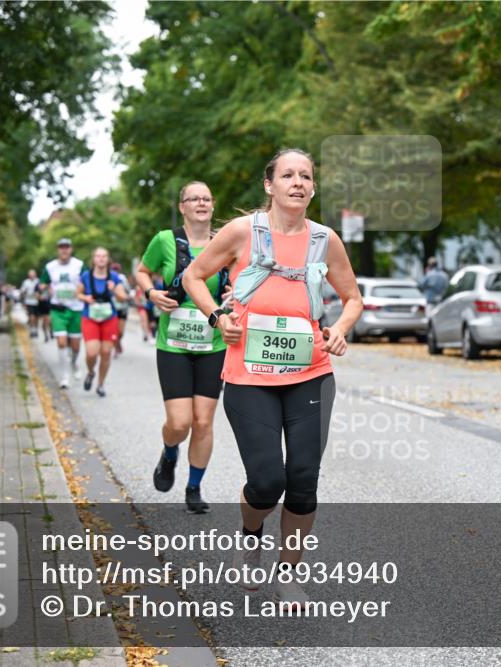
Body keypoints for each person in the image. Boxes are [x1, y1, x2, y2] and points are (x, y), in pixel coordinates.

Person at [183, 149, 362, 608]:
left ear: (313, 188)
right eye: (288, 175)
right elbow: (194, 276)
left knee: (303, 480)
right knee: (266, 482)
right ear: (270, 185)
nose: (297, 182)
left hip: (311, 374)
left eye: (306, 176)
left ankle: (288, 575)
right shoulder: (243, 232)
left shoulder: (325, 240)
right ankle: (250, 535)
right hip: (249, 375)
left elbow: (352, 297)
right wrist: (218, 316)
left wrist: (339, 329)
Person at [135, 181, 231, 514]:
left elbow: (241, 281)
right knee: (180, 423)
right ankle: (170, 451)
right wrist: (151, 293)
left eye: (206, 198)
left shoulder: (226, 242)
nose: (201, 203)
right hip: (173, 344)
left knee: (203, 422)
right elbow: (143, 272)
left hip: (213, 343)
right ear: (183, 207)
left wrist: (234, 295)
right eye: (194, 199)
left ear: (213, 205)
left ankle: (194, 487)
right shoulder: (164, 240)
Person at [78, 248, 129, 397]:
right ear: (93, 259)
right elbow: (78, 293)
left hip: (109, 318)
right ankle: (90, 372)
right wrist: (85, 298)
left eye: (104, 256)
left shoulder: (114, 277)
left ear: (108, 259)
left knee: (106, 353)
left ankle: (100, 384)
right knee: (92, 352)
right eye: (98, 256)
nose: (101, 259)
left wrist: (114, 290)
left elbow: (122, 297)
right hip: (90, 317)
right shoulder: (86, 276)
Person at [40, 238, 85, 388]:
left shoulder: (79, 265)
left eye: (67, 247)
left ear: (71, 249)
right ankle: (65, 376)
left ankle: (73, 363)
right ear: (58, 250)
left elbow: (86, 282)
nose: (64, 250)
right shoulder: (50, 267)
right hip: (57, 309)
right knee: (61, 342)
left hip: (75, 309)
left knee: (76, 346)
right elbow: (42, 283)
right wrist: (45, 288)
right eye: (61, 247)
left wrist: (81, 290)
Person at [111, 262, 129, 356]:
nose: (115, 271)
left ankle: (118, 342)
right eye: (114, 269)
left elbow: (127, 291)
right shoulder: (108, 277)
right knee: (114, 329)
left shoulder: (122, 278)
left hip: (122, 307)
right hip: (112, 307)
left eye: (116, 269)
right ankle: (115, 347)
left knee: (120, 332)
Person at [20, 270, 41, 337]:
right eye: (30, 275)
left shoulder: (38, 281)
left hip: (38, 302)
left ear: (35, 275)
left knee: (37, 317)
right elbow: (22, 292)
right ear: (28, 276)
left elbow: (42, 290)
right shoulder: (26, 282)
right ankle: (32, 330)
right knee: (31, 316)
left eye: (33, 275)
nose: (32, 276)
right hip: (29, 302)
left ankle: (36, 329)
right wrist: (23, 302)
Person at [35, 277, 52, 342]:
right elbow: (36, 295)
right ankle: (46, 335)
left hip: (50, 304)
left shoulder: (51, 283)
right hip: (42, 305)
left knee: (50, 320)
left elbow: (52, 293)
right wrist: (40, 296)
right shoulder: (38, 285)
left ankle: (51, 331)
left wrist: (48, 287)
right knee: (45, 320)